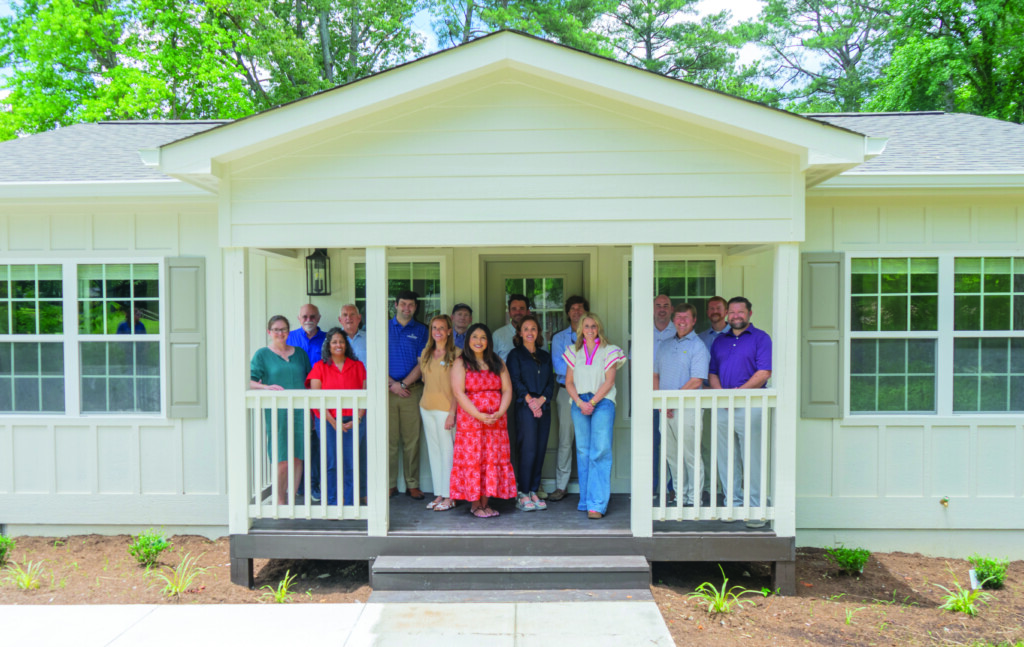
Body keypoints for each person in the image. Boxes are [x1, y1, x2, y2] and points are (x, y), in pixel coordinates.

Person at [709, 296, 772, 528]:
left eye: (740, 312)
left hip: (751, 406)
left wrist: (737, 394)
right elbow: (712, 372)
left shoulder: (761, 338)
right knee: (726, 457)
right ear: (727, 315)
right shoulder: (720, 341)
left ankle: (755, 509)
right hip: (724, 407)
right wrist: (722, 395)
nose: (735, 316)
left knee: (752, 458)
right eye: (732, 312)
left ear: (749, 314)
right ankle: (732, 504)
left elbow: (764, 372)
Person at [449, 323, 517, 518]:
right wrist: (479, 415)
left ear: (488, 342)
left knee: (490, 460)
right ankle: (475, 504)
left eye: (483, 338)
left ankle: (486, 503)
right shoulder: (461, 363)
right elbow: (458, 393)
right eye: (475, 337)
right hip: (471, 423)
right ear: (468, 340)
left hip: (496, 423)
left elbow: (507, 389)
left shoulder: (497, 362)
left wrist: (500, 411)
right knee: (473, 461)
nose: (479, 341)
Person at [563, 312, 626, 519]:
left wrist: (591, 402)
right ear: (580, 328)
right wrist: (581, 402)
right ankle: (586, 500)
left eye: (594, 326)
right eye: (586, 326)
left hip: (602, 402)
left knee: (600, 450)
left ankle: (597, 505)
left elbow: (609, 382)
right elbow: (569, 382)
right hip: (579, 402)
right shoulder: (574, 351)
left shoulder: (609, 351)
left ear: (599, 328)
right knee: (583, 451)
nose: (590, 330)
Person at [250, 315, 311, 504]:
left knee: (298, 456)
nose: (280, 333)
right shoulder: (262, 355)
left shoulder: (300, 353)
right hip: (277, 413)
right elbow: (250, 381)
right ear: (269, 332)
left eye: (284, 329)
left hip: (301, 411)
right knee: (282, 457)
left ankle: (292, 499)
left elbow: (310, 380)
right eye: (276, 329)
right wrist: (266, 388)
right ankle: (279, 500)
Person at [652, 303, 709, 507]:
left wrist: (672, 401)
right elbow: (655, 375)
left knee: (690, 455)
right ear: (673, 320)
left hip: (688, 409)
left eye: (686, 318)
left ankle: (694, 499)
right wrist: (661, 402)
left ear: (694, 321)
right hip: (665, 410)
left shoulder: (698, 346)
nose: (681, 321)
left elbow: (697, 380)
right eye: (678, 317)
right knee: (672, 455)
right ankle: (680, 495)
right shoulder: (664, 345)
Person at [305, 328, 367, 506]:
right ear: (328, 346)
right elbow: (316, 400)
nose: (338, 345)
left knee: (351, 464)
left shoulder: (358, 366)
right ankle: (332, 503)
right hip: (327, 421)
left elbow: (364, 396)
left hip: (354, 421)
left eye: (341, 341)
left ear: (346, 344)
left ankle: (350, 504)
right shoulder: (319, 367)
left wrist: (357, 419)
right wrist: (333, 422)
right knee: (331, 463)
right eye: (334, 342)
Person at [506, 314, 553, 512]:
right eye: (526, 329)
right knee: (528, 448)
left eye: (533, 328)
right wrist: (531, 402)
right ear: (519, 332)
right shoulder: (515, 355)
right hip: (524, 406)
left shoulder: (545, 356)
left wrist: (542, 400)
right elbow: (515, 381)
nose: (529, 332)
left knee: (540, 447)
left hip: (543, 405)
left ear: (538, 332)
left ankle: (534, 489)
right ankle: (523, 492)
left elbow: (551, 382)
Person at [388, 290, 429, 499]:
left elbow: (422, 363)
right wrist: (392, 384)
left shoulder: (422, 331)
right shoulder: (382, 327)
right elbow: (374, 360)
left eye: (411, 305)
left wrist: (403, 384)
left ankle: (412, 483)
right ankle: (389, 483)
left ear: (415, 307)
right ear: (395, 305)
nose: (406, 308)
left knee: (412, 440)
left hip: (412, 391)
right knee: (389, 440)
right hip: (386, 391)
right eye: (403, 304)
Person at [548, 295, 588, 501]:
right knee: (565, 439)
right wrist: (583, 369)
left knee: (586, 440)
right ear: (568, 313)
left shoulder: (593, 336)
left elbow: (598, 365)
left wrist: (579, 370)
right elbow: (558, 366)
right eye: (573, 309)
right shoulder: (559, 338)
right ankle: (561, 486)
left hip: (589, 394)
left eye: (580, 308)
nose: (576, 312)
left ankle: (588, 486)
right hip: (566, 391)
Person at [418, 315, 460, 512]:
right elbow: (426, 380)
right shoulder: (426, 352)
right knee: (434, 453)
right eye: (434, 327)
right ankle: (439, 494)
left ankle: (451, 495)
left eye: (442, 328)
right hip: (426, 407)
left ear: (449, 331)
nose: (438, 331)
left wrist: (452, 412)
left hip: (446, 410)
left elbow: (458, 388)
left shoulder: (457, 354)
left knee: (447, 452)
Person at [288, 304, 327, 501]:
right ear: (298, 317)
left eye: (312, 316)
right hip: (296, 398)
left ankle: (315, 484)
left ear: (319, 318)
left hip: (320, 398)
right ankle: (300, 485)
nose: (308, 319)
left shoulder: (328, 339)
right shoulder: (290, 338)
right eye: (304, 316)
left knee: (317, 443)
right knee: (297, 442)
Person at [697, 296, 729, 504]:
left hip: (729, 398)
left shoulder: (735, 334)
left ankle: (731, 488)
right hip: (707, 397)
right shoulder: (700, 338)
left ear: (725, 311)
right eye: (711, 308)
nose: (714, 311)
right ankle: (710, 487)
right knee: (707, 444)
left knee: (729, 446)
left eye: (718, 307)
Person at [652, 295, 677, 499]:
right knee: (651, 443)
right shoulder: (644, 331)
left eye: (665, 306)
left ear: (671, 309)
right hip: (649, 397)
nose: (661, 309)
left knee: (672, 444)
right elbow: (634, 365)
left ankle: (672, 487)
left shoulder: (677, 331)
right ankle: (651, 487)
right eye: (658, 305)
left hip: (671, 397)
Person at [493, 294, 530, 361]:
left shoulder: (538, 334)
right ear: (509, 313)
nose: (518, 312)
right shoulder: (498, 335)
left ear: (528, 312)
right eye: (514, 309)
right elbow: (492, 363)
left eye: (522, 309)